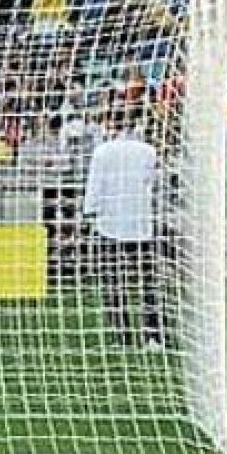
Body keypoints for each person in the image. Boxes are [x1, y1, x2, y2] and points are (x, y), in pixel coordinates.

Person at [83, 110, 163, 348]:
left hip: (111, 224)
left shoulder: (102, 152)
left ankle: (122, 336)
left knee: (113, 281)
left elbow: (94, 186)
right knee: (147, 281)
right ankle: (152, 336)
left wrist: (89, 211)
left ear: (110, 124)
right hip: (140, 223)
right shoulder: (148, 151)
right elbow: (153, 181)